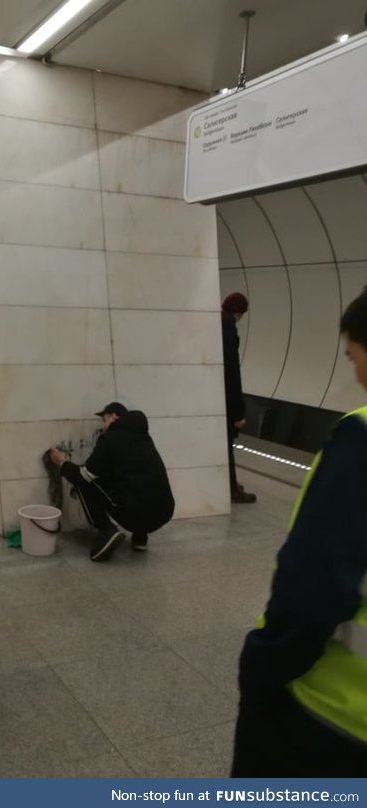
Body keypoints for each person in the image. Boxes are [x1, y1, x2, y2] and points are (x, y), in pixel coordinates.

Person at [231, 288, 367, 777]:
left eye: (355, 357)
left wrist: (262, 665)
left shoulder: (360, 440)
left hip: (334, 718)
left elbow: (316, 585)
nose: (355, 374)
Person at [49, 402, 175, 562]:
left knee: (83, 482)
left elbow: (83, 475)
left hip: (137, 514)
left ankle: (106, 531)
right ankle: (140, 538)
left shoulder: (111, 438)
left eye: (104, 420)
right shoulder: (143, 437)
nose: (103, 427)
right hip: (164, 512)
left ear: (114, 416)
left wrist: (62, 462)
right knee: (137, 483)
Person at [221, 292, 256, 504]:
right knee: (227, 446)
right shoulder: (229, 330)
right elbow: (233, 373)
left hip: (213, 395)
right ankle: (232, 489)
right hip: (226, 400)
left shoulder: (215, 323)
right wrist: (238, 412)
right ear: (239, 313)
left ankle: (229, 484)